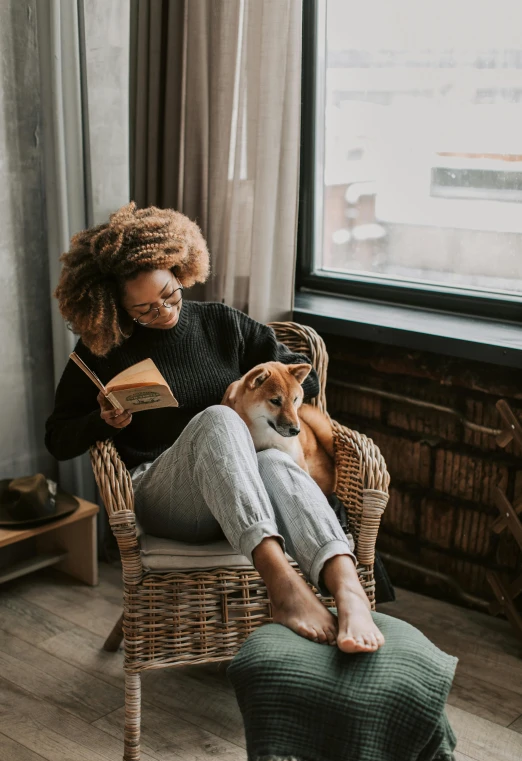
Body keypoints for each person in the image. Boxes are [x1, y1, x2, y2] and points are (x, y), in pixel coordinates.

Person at [46, 202, 384, 653]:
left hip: (246, 492)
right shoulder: (100, 350)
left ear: (178, 268)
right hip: (165, 496)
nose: (163, 311)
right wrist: (100, 420)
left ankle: (348, 590)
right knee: (221, 419)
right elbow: (57, 437)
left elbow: (307, 378)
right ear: (115, 306)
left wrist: (253, 380)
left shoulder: (220, 323)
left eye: (169, 294)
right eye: (143, 310)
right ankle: (282, 585)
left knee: (277, 465)